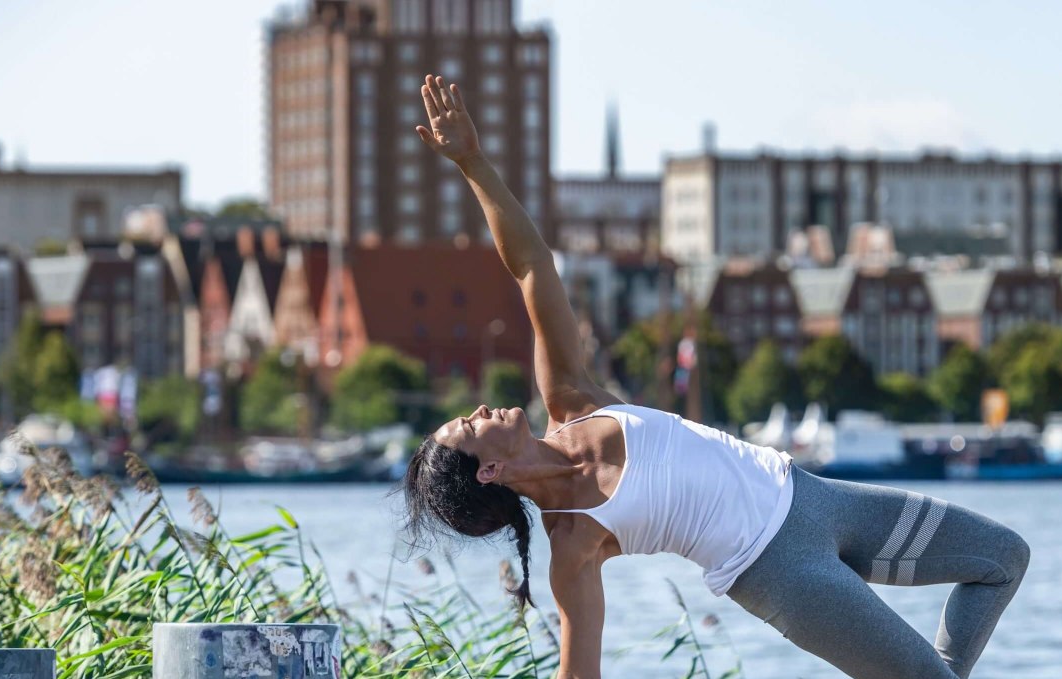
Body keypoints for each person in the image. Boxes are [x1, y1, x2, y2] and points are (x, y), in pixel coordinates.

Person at [401, 75, 1030, 679]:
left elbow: (533, 266)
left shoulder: (573, 400)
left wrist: (473, 165)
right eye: (468, 426)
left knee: (1002, 559)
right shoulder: (573, 545)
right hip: (776, 571)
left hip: (815, 497)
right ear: (488, 471)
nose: (480, 410)